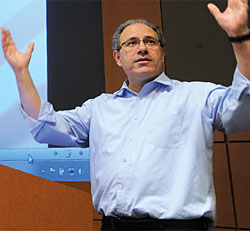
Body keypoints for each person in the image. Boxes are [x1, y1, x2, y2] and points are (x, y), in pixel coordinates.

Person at [1, 0, 250, 230]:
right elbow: (47, 127)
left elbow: (242, 107)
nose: (142, 48)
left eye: (150, 42)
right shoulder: (99, 108)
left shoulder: (197, 96)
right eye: (132, 43)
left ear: (163, 54)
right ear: (118, 58)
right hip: (112, 226)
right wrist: (22, 73)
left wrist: (240, 36)